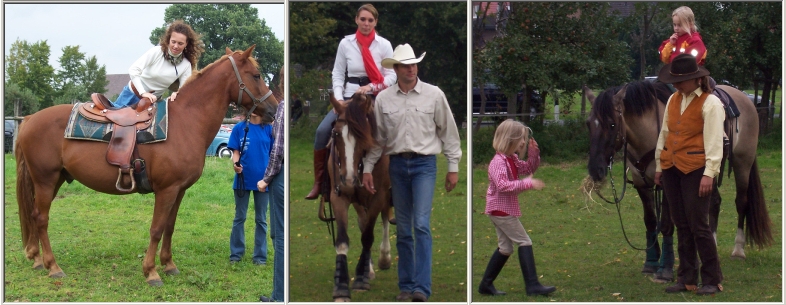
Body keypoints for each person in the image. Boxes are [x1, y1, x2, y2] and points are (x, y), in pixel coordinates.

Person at [361, 43, 462, 302]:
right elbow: (380, 139)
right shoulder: (384, 99)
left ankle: (421, 288)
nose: (411, 69)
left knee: (421, 225)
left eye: (414, 64)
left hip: (425, 165)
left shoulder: (434, 94)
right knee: (404, 228)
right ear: (396, 69)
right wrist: (369, 169)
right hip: (397, 165)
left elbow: (449, 132)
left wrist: (453, 167)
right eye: (406, 65)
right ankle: (406, 287)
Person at [305, 3, 396, 200]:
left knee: (390, 133)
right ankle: (320, 183)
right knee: (322, 131)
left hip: (375, 97)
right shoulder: (346, 44)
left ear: (375, 22)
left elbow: (391, 76)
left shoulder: (384, 45)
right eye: (362, 19)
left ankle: (393, 188)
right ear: (356, 20)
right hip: (348, 97)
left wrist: (371, 87)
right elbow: (338, 74)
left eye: (370, 20)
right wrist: (339, 99)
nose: (366, 23)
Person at [654, 53, 724, 295]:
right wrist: (659, 165)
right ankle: (686, 277)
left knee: (699, 225)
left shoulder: (711, 103)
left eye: (680, 81)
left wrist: (709, 174)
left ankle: (713, 279)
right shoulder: (674, 99)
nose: (676, 85)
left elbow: (715, 142)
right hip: (672, 168)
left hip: (696, 170)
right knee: (680, 223)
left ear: (696, 79)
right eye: (674, 81)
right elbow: (665, 133)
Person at [479, 119, 556, 297]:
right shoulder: (498, 162)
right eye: (521, 138)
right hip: (500, 210)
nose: (523, 141)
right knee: (524, 241)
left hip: (502, 210)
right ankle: (533, 285)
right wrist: (527, 184)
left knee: (505, 248)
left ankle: (485, 285)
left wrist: (533, 153)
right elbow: (503, 186)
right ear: (509, 138)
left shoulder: (511, 159)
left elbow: (528, 168)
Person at [113, 20, 204, 107]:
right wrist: (143, 93)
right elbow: (133, 70)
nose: (176, 46)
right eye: (173, 42)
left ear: (186, 44)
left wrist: (177, 94)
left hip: (153, 104)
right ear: (168, 40)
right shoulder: (156, 52)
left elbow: (183, 89)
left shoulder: (186, 65)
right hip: (131, 96)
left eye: (180, 43)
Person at [228, 112, 273, 265]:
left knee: (261, 219)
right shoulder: (239, 128)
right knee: (239, 217)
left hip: (263, 181)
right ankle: (236, 254)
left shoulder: (269, 129)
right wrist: (235, 164)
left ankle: (260, 257)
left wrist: (268, 179)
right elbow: (235, 151)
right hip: (242, 180)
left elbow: (274, 154)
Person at [257, 67, 286, 302]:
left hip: (280, 176)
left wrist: (266, 178)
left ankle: (280, 297)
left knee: (280, 236)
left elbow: (277, 152)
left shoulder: (284, 107)